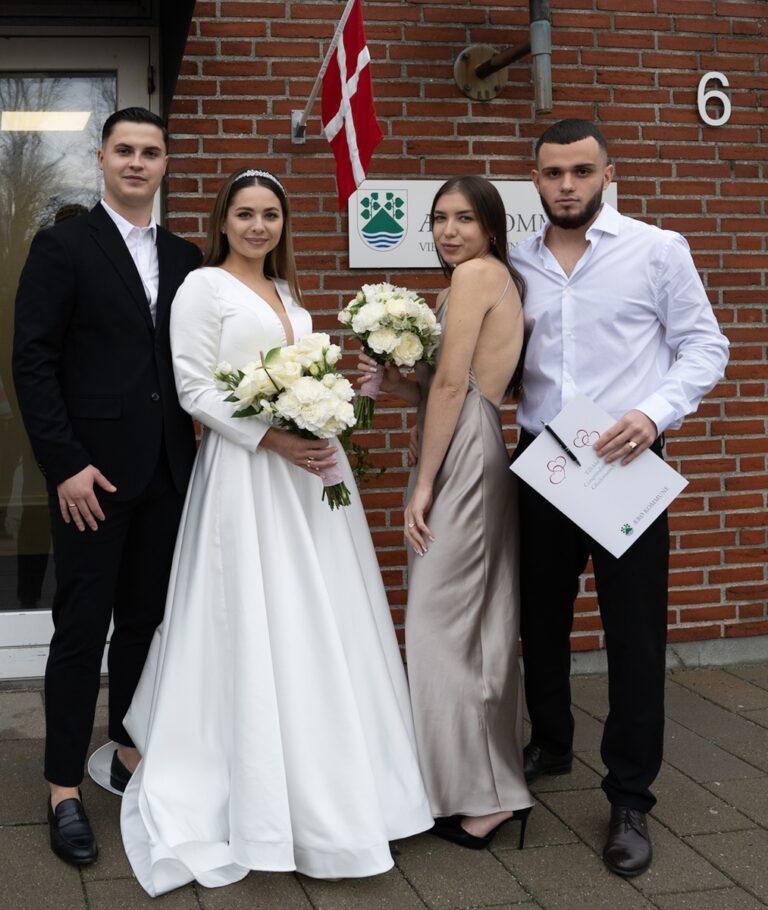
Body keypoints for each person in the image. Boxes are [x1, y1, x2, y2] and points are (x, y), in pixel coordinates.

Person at [119, 167, 433, 895]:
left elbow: (302, 373)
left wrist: (336, 400)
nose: (258, 226)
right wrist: (274, 439)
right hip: (248, 470)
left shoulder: (287, 292)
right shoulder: (202, 287)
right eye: (245, 214)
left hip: (310, 474)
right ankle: (251, 783)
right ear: (223, 221)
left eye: (270, 214)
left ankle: (343, 774)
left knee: (320, 612)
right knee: (256, 609)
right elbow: (195, 387)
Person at [509, 119, 730, 877]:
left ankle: (630, 795)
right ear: (535, 180)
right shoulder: (517, 261)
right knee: (539, 617)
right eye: (552, 173)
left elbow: (705, 345)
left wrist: (653, 413)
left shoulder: (656, 249)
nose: (566, 185)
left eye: (581, 171)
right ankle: (551, 742)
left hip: (625, 461)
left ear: (608, 174)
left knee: (633, 632)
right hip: (543, 461)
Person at [12, 107, 202, 866]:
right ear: (101, 158)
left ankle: (127, 752)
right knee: (82, 629)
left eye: (150, 151)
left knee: (147, 624)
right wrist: (63, 463)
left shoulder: (187, 256)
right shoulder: (63, 245)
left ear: (165, 163)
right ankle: (63, 787)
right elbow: (32, 361)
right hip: (89, 477)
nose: (136, 162)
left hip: (167, 473)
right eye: (123, 149)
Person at [359, 175, 534, 850]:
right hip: (463, 442)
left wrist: (423, 483)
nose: (449, 230)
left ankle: (490, 792)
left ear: (491, 227)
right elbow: (439, 387)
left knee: (447, 623)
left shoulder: (476, 276)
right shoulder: (460, 284)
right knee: (457, 622)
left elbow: (458, 387)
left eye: (464, 218)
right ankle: (461, 782)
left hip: (465, 455)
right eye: (439, 219)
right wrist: (394, 383)